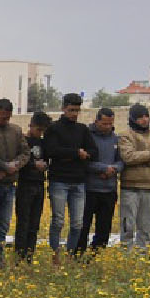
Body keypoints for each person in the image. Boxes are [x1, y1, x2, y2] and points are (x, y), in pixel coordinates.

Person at [43, 93, 97, 262]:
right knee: (58, 220)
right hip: (59, 180)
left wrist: (79, 155)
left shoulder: (82, 129)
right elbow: (51, 150)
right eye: (71, 110)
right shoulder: (54, 128)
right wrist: (76, 153)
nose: (74, 113)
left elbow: (94, 152)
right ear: (63, 108)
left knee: (77, 223)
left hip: (79, 181)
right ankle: (55, 254)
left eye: (77, 110)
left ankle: (70, 255)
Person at [0, 99, 30, 265]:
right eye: (2, 116)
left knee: (2, 226)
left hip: (9, 184)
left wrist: (15, 166)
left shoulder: (16, 131)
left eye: (7, 117)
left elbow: (25, 153)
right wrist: (2, 166)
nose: (5, 120)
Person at [115, 104, 150, 252]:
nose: (144, 120)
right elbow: (128, 157)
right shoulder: (126, 135)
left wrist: (146, 156)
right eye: (140, 117)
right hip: (131, 187)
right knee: (128, 224)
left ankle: (142, 254)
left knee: (145, 226)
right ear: (132, 119)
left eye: (146, 116)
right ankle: (126, 254)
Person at [75, 108, 121, 255]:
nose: (108, 127)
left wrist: (113, 169)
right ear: (97, 121)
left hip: (109, 189)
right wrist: (102, 169)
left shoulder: (116, 139)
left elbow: (121, 161)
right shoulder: (87, 137)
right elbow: (85, 162)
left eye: (110, 123)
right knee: (83, 225)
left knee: (104, 227)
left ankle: (97, 254)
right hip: (90, 188)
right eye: (104, 123)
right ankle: (79, 254)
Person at [13, 112, 52, 262]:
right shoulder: (23, 141)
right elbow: (19, 161)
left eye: (43, 130)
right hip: (25, 184)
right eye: (38, 129)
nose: (40, 133)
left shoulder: (42, 143)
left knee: (34, 224)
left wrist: (44, 166)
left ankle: (29, 255)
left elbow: (47, 159)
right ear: (31, 125)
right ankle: (19, 256)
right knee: (23, 222)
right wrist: (33, 164)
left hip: (39, 184)